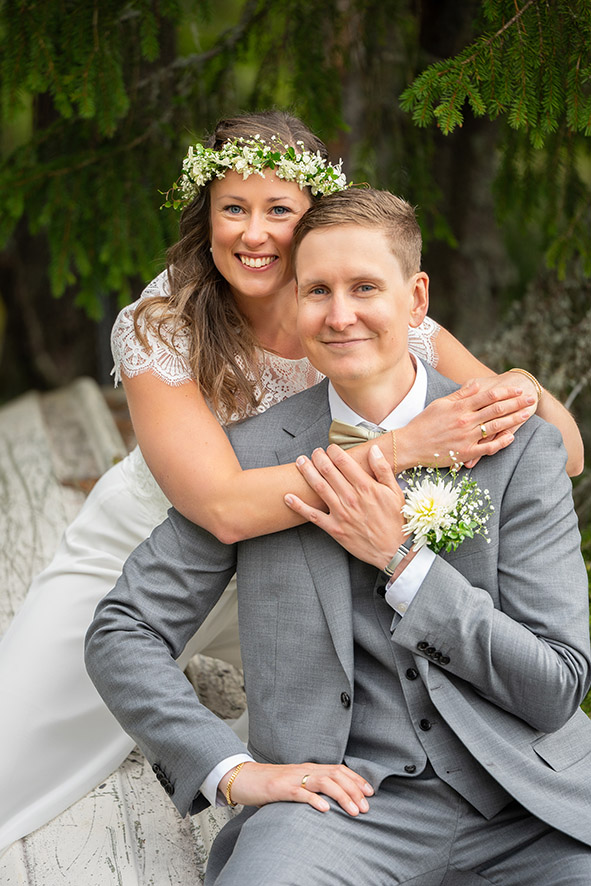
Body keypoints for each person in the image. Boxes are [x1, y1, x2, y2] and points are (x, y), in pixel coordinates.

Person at [0, 111, 582, 855]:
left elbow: (563, 451)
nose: (254, 233)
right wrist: (403, 446)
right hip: (162, 547)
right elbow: (221, 508)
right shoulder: (161, 325)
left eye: (279, 209)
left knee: (383, 701)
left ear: (314, 219)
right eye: (232, 208)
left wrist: (517, 384)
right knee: (15, 742)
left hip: (290, 559)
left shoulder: (360, 309)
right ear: (206, 216)